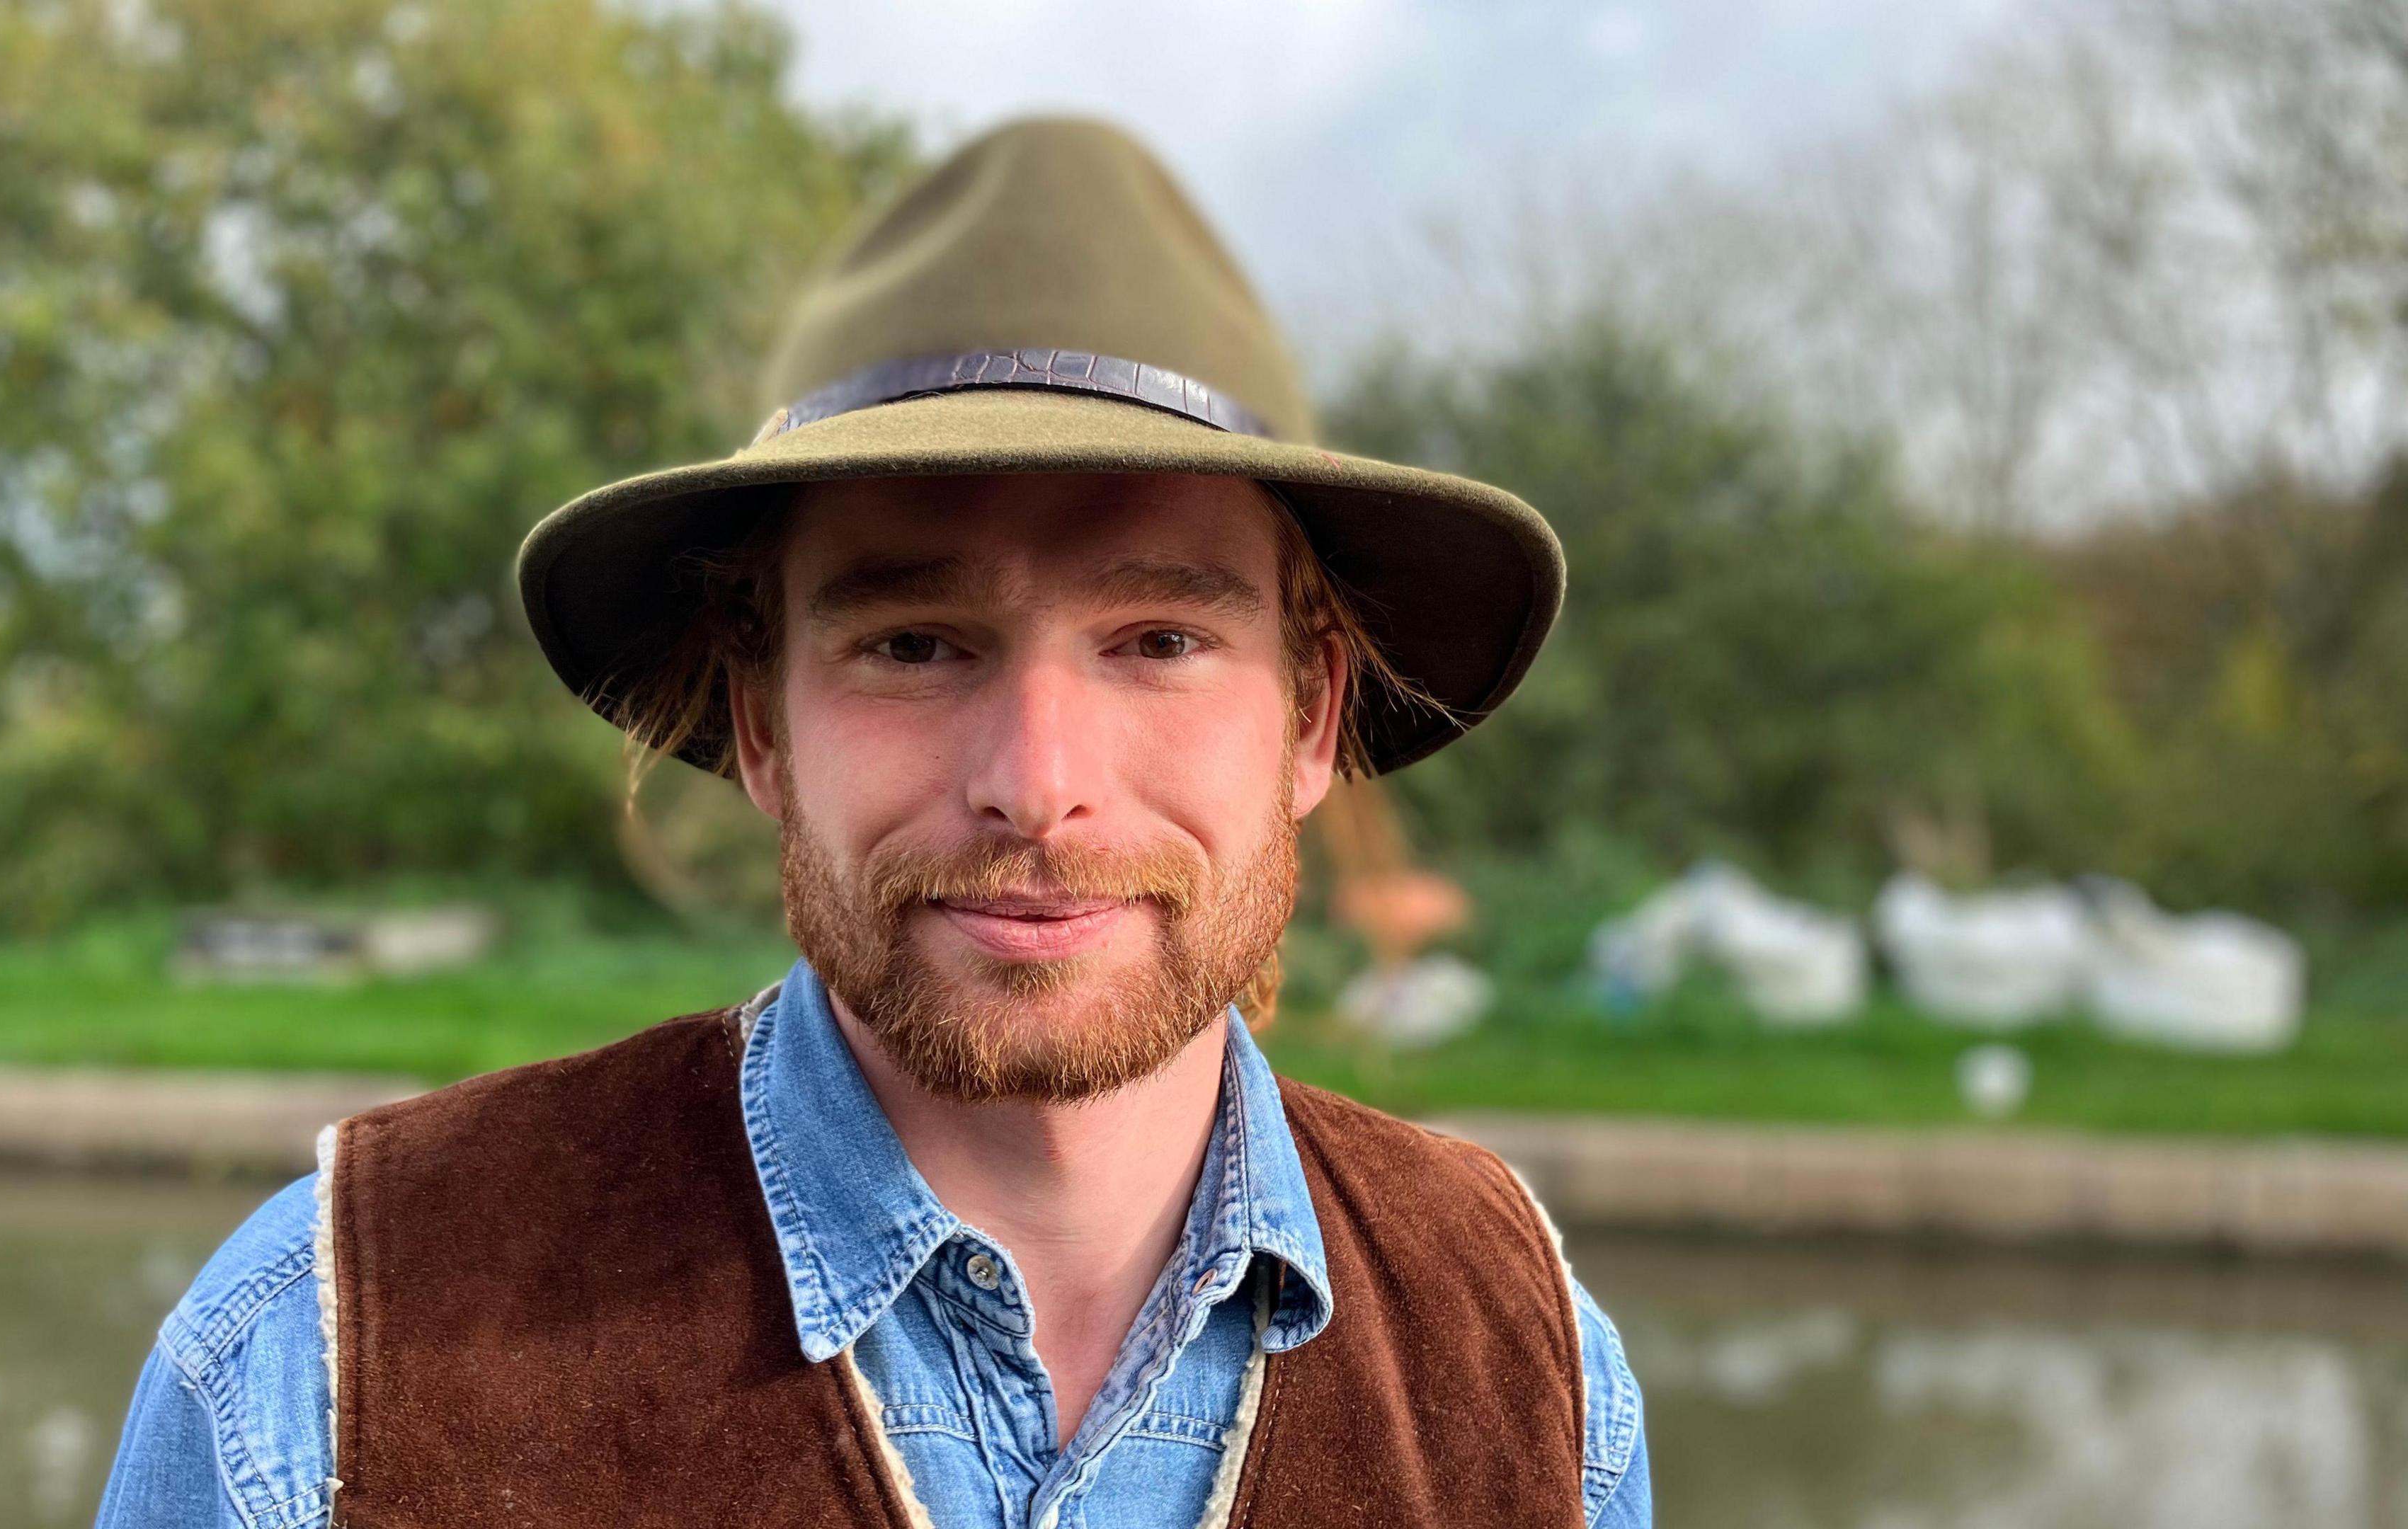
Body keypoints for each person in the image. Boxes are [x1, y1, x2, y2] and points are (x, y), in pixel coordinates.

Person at [96, 115, 1650, 1529]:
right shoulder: (322, 1362)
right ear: (762, 725)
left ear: (1310, 719)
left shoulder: (1538, 1377)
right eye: (915, 645)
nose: (1036, 783)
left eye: (1159, 643)